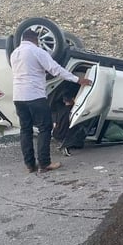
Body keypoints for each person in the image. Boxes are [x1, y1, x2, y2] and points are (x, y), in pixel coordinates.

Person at [10, 29, 92, 174]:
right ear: (35, 39)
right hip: (35, 96)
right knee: (44, 128)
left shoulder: (14, 53)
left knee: (25, 130)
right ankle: (44, 163)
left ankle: (30, 165)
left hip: (18, 97)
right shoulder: (37, 51)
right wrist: (78, 79)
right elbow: (56, 70)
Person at [52, 92, 75, 157]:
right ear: (73, 99)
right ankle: (65, 146)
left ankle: (61, 143)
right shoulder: (72, 110)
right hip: (64, 134)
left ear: (63, 101)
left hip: (56, 132)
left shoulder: (59, 109)